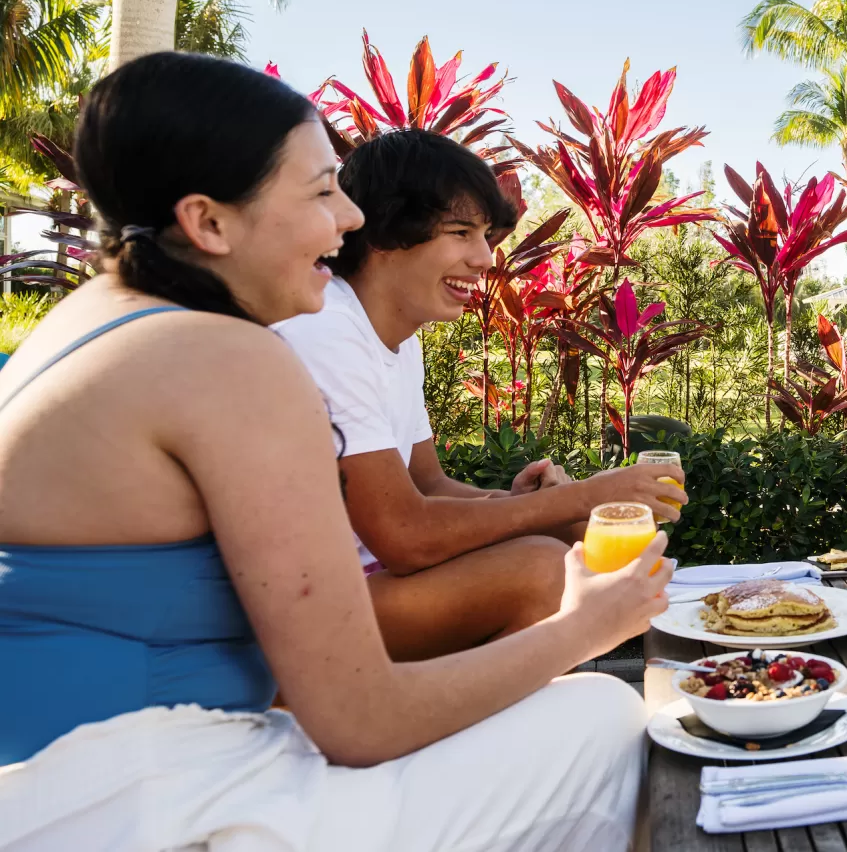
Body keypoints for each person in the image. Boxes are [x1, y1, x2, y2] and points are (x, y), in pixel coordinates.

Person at [0, 53, 669, 851]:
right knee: (610, 721)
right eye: (322, 192)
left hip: (62, 786)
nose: (351, 220)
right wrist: (584, 628)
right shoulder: (229, 357)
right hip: (152, 799)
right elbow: (359, 720)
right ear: (208, 222)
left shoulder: (87, 319)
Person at [273, 129, 687, 660]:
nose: (487, 258)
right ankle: (426, 722)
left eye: (486, 234)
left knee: (576, 536)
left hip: (363, 587)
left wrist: (536, 507)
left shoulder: (397, 339)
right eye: (461, 232)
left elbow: (428, 484)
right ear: (383, 232)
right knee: (542, 567)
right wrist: (583, 495)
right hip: (297, 616)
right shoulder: (326, 328)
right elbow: (404, 535)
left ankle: (474, 713)